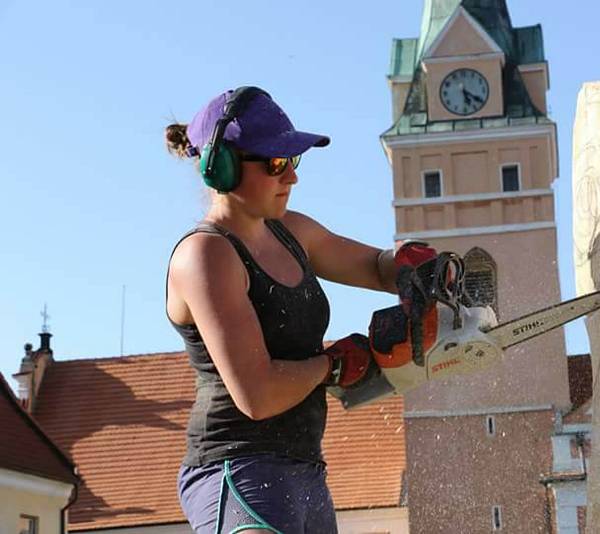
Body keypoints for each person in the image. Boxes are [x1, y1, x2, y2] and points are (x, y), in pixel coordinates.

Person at [164, 86, 435, 534]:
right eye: (275, 164)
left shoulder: (292, 231)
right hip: (236, 468)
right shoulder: (206, 256)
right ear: (224, 167)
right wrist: (332, 364)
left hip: (305, 469)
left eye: (293, 162)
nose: (290, 177)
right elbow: (257, 394)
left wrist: (410, 265)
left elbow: (374, 266)